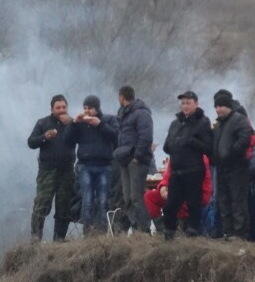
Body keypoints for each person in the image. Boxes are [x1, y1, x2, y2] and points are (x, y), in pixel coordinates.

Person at [64, 95, 119, 235]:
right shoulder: (81, 123)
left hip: (104, 166)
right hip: (85, 166)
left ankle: (102, 232)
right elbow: (67, 140)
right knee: (87, 200)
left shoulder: (109, 120)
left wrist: (99, 124)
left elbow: (116, 136)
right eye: (85, 108)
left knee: (103, 201)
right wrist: (74, 123)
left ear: (97, 109)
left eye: (90, 108)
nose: (87, 111)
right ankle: (88, 232)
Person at [162, 91, 213, 239]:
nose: (185, 106)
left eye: (188, 103)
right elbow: (166, 146)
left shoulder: (203, 122)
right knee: (171, 204)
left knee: (193, 204)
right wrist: (172, 144)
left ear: (196, 104)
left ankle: (193, 235)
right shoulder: (175, 123)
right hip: (176, 170)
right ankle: (168, 234)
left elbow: (208, 147)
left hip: (194, 169)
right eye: (183, 103)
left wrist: (191, 141)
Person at [27, 95, 76, 241]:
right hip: (47, 171)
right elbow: (31, 142)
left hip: (67, 171)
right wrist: (44, 137)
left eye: (64, 107)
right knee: (41, 204)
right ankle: (36, 238)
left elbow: (84, 137)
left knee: (64, 206)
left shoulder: (72, 124)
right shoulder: (43, 123)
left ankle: (59, 240)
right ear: (52, 109)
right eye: (58, 108)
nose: (61, 110)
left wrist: (72, 123)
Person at [211, 94, 254, 239]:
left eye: (221, 106)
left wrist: (231, 152)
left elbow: (245, 139)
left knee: (237, 201)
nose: (218, 109)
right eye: (216, 106)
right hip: (221, 167)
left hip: (237, 166)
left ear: (228, 106)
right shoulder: (219, 125)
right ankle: (228, 231)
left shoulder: (239, 120)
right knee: (224, 201)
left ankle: (240, 233)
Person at [114, 85, 154, 234]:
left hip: (136, 161)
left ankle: (144, 230)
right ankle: (136, 227)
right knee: (128, 198)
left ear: (121, 97)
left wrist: (137, 156)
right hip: (124, 159)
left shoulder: (141, 113)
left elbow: (146, 136)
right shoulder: (123, 113)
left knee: (137, 197)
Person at [144, 154, 212, 232]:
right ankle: (162, 228)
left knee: (179, 199)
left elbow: (192, 183)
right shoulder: (176, 155)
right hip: (177, 191)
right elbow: (167, 175)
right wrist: (163, 187)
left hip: (197, 194)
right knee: (149, 197)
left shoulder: (200, 158)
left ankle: (184, 227)